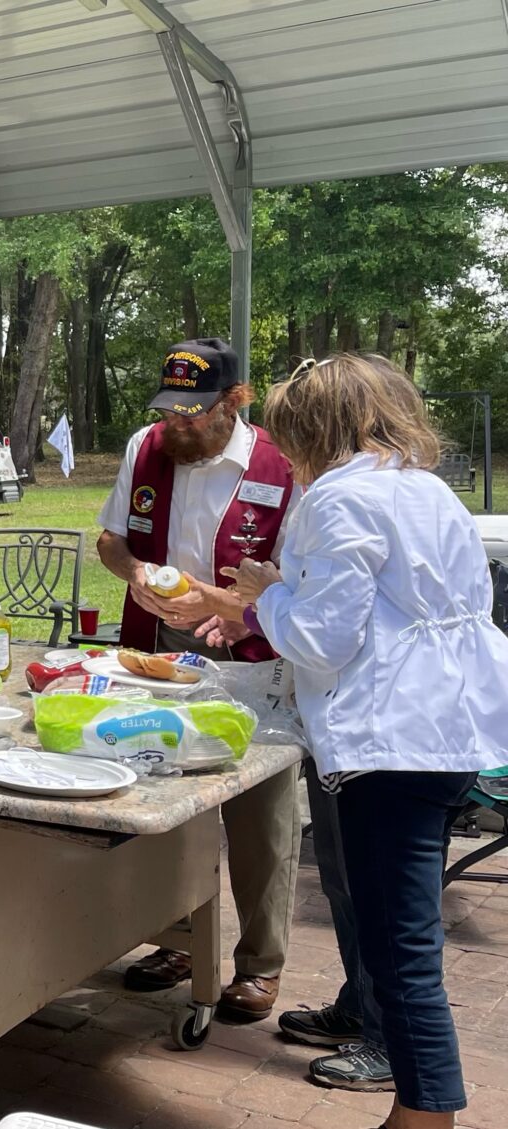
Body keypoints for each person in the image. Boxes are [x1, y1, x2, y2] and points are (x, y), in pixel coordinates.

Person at [198, 353, 508, 1128]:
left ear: (314, 431)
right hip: (450, 730)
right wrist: (282, 593)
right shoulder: (427, 488)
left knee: (399, 947)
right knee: (406, 935)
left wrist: (265, 598)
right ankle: (415, 1101)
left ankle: (424, 1114)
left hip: (390, 741)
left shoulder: (339, 498)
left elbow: (323, 638)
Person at [96, 338, 299, 1024]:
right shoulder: (145, 448)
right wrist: (136, 575)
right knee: (165, 798)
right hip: (160, 646)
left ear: (235, 400)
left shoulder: (280, 464)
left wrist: (222, 603)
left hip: (251, 652)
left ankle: (260, 964)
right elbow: (112, 539)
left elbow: (297, 578)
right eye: (169, 411)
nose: (178, 425)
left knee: (261, 817)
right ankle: (178, 939)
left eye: (195, 413)